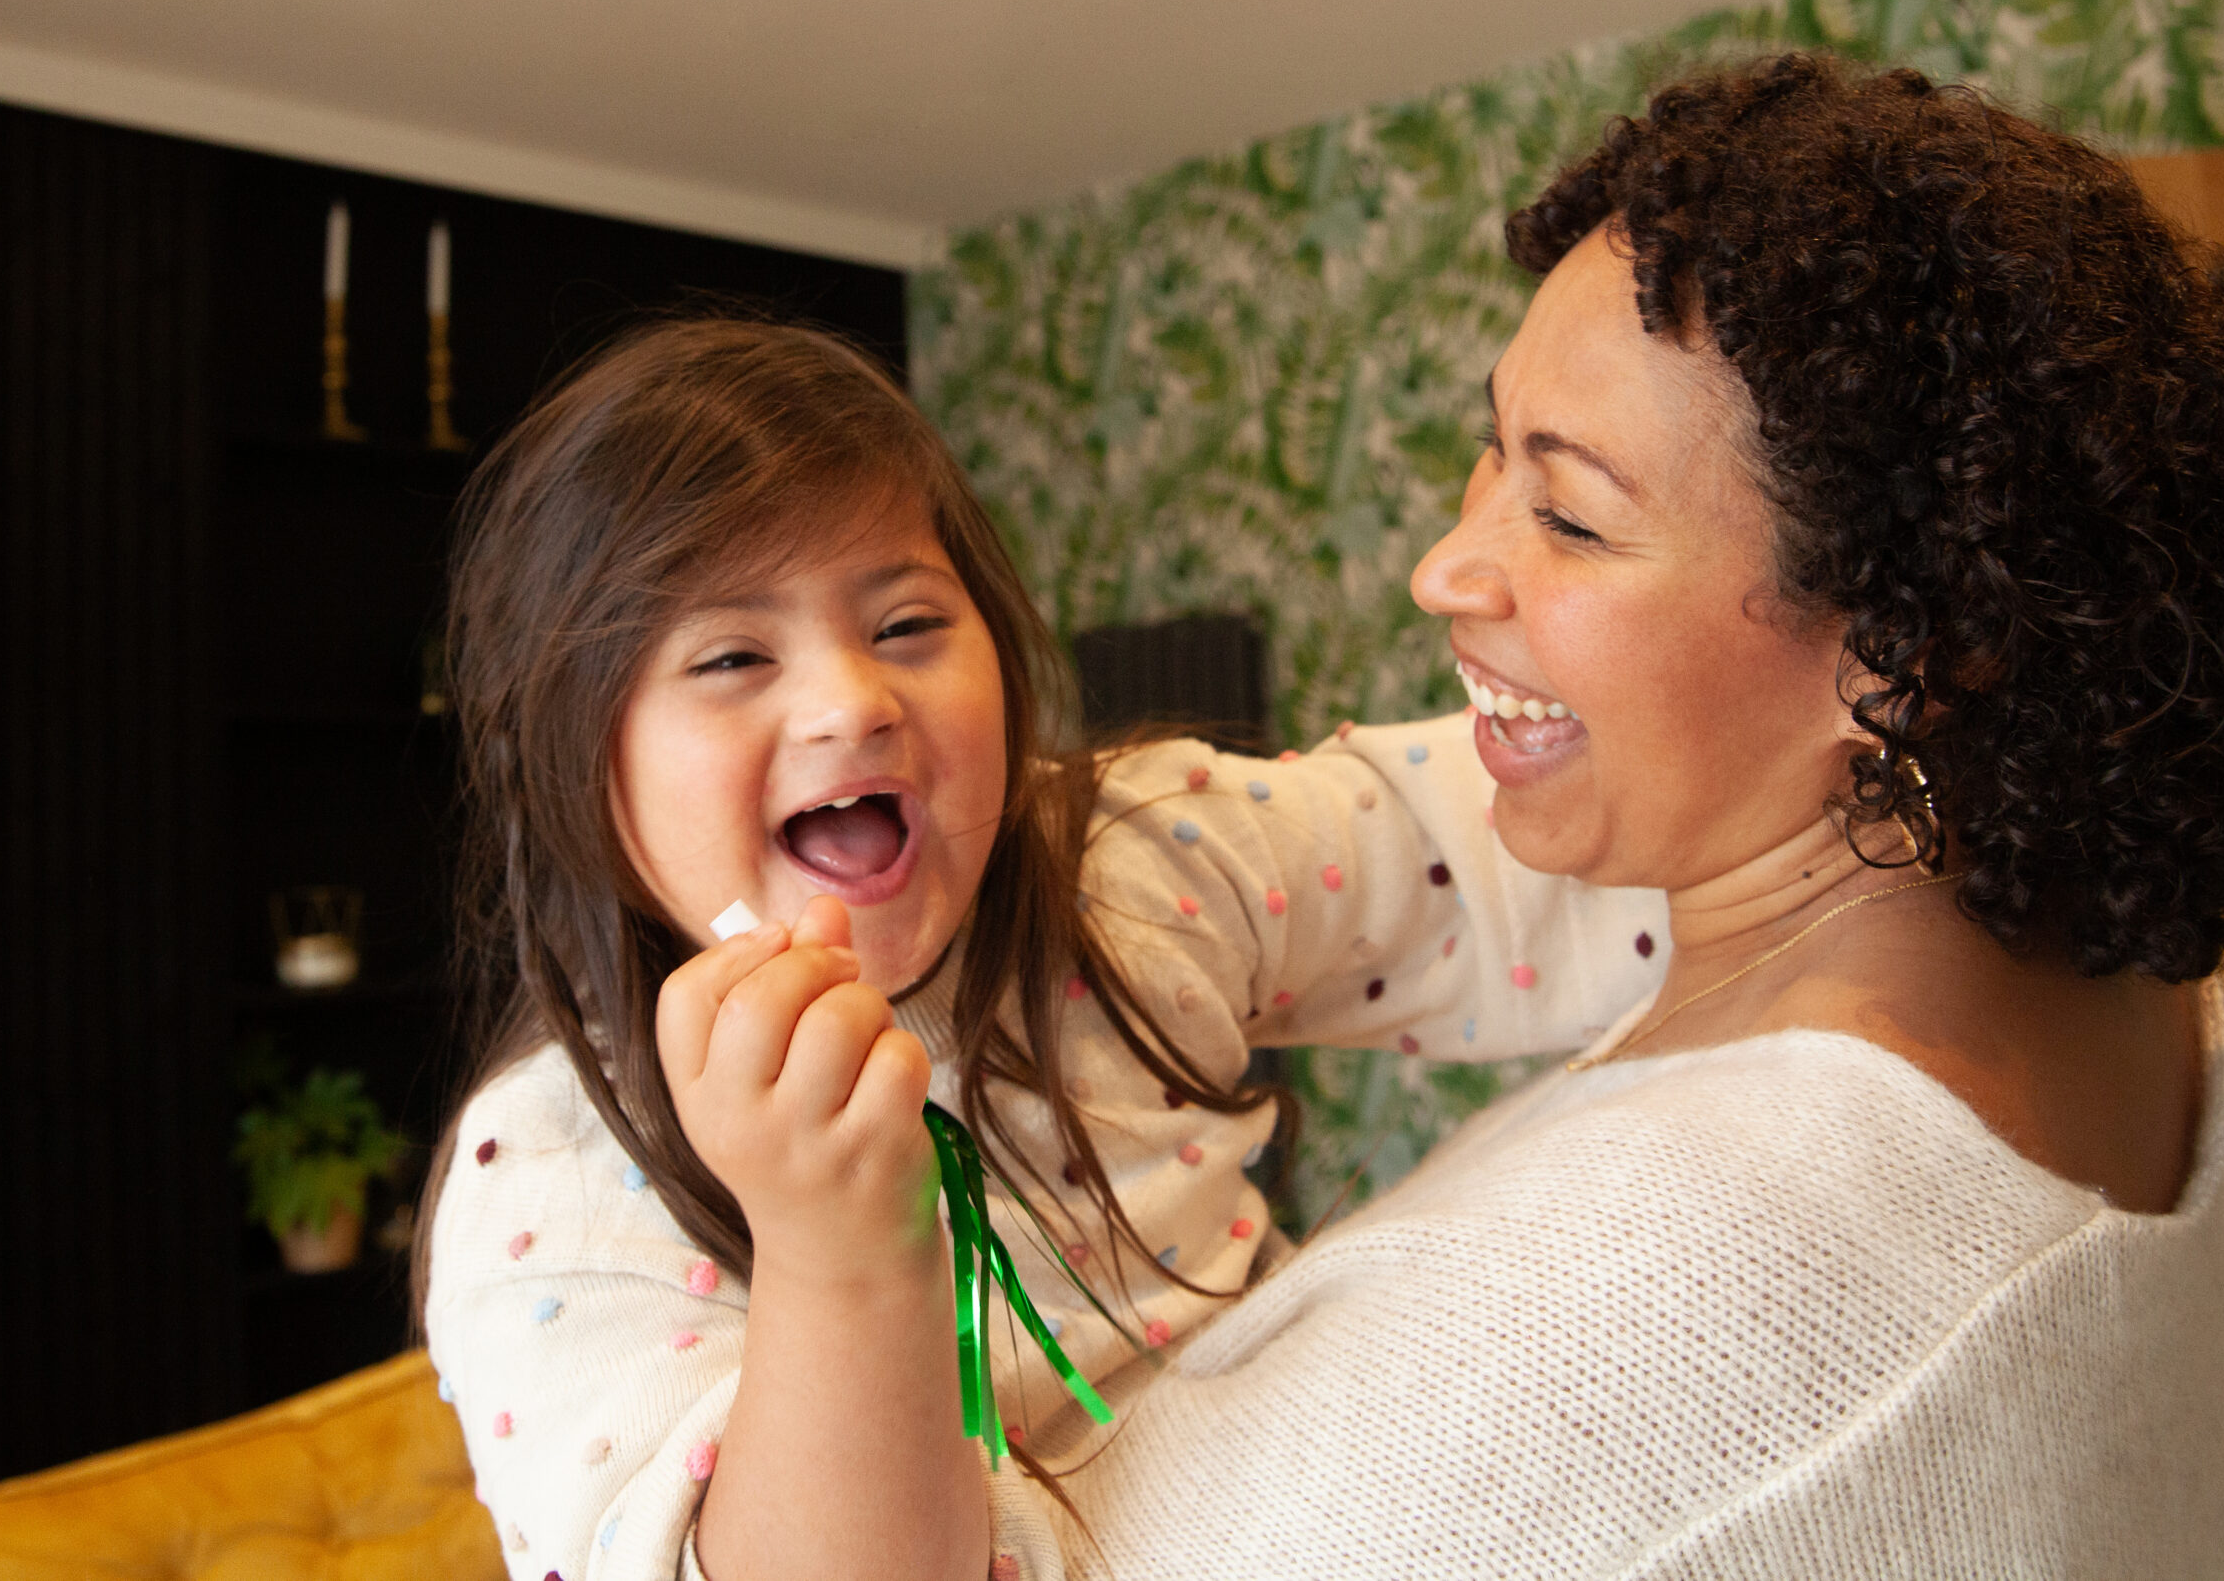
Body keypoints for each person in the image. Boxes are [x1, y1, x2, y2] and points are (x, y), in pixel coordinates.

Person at [761, 54, 2224, 1580]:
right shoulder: (2117, 984)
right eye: (1492, 456)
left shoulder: (1616, 1310)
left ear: (1910, 645)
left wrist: (825, 1244)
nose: (1452, 566)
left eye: (1568, 510)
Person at [414, 317, 1668, 1580]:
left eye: (905, 624)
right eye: (734, 655)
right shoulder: (550, 1182)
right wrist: (834, 1252)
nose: (852, 700)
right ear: (579, 762)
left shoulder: (1130, 860)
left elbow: (1506, 852)